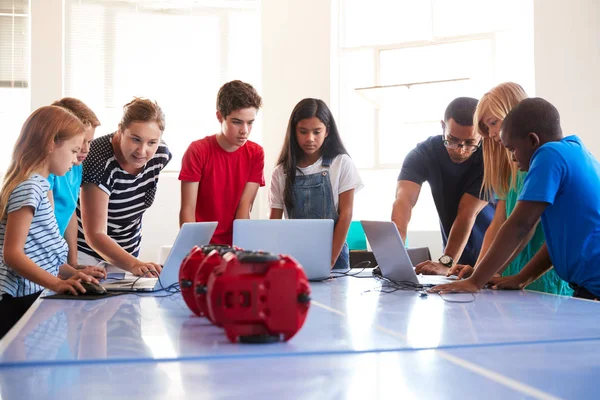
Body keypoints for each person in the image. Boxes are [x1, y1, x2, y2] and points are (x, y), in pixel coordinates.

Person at [431, 98, 600, 300]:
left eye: (511, 149)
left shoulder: (549, 154)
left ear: (532, 140)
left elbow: (520, 225)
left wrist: (475, 281)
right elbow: (556, 242)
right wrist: (522, 278)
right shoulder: (576, 150)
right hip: (589, 285)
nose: (511, 157)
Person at [447, 83, 571, 295]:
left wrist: (480, 277)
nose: (492, 134)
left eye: (493, 123)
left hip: (540, 274)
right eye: (487, 128)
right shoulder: (510, 165)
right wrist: (479, 270)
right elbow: (499, 223)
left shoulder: (543, 161)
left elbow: (522, 227)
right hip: (513, 271)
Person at [0, 106, 102, 338]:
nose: (77, 159)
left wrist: (69, 273)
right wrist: (57, 284)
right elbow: (13, 254)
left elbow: (39, 253)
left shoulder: (41, 186)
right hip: (15, 298)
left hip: (31, 292)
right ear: (51, 143)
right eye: (74, 150)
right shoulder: (29, 187)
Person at [392, 97, 494, 275]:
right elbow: (403, 201)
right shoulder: (423, 154)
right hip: (454, 260)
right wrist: (394, 253)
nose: (460, 150)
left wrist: (445, 262)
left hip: (492, 260)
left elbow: (467, 213)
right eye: (452, 140)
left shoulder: (490, 159)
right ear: (442, 127)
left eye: (470, 143)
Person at [77, 98, 172, 277]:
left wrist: (133, 262)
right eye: (135, 139)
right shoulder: (98, 160)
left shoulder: (161, 155)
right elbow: (95, 233)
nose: (142, 151)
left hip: (127, 250)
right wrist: (135, 265)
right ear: (120, 130)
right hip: (85, 253)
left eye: (152, 142)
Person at [269, 98, 363, 269]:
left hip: (335, 255)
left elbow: (346, 214)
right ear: (293, 131)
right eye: (303, 131)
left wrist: (330, 259)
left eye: (316, 132)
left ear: (327, 131)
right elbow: (274, 223)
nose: (310, 138)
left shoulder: (341, 163)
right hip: (293, 256)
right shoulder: (280, 172)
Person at [179, 80, 265, 245]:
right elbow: (187, 210)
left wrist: (240, 250)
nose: (244, 131)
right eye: (237, 122)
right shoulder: (198, 150)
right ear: (220, 117)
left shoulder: (256, 153)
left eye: (250, 123)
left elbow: (244, 209)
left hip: (235, 245)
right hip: (201, 244)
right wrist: (195, 251)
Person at [47, 97, 105, 278]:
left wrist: (73, 264)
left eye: (90, 142)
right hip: (41, 259)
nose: (86, 149)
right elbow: (46, 228)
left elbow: (70, 210)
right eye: (80, 144)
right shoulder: (48, 172)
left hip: (54, 261)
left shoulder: (75, 166)